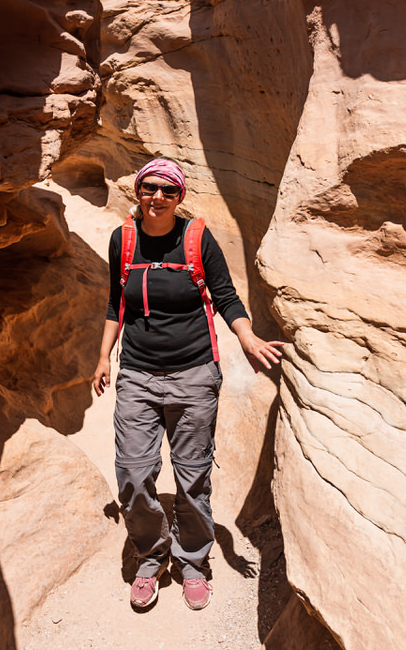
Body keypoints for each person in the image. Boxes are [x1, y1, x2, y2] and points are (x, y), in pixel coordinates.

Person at [92, 157, 283, 611]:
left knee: (191, 475)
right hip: (137, 373)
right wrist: (103, 356)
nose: (157, 197)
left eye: (167, 191)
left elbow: (225, 295)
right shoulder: (124, 238)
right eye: (149, 188)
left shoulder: (196, 237)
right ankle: (151, 556)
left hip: (194, 374)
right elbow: (116, 302)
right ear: (138, 191)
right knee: (134, 475)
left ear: (179, 197)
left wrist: (247, 336)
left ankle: (193, 560)